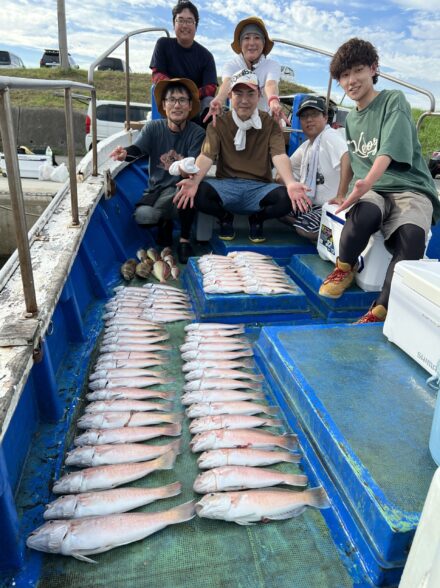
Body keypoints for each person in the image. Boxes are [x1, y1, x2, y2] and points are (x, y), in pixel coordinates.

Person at [319, 38, 440, 323]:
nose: (351, 81)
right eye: (344, 76)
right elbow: (351, 157)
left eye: (357, 70)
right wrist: (342, 191)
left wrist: (367, 182)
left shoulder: (393, 100)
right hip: (371, 188)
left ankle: (380, 309)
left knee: (412, 239)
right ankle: (344, 267)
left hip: (409, 187)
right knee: (367, 212)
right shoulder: (350, 120)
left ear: (373, 69)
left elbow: (388, 149)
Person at [173, 69, 310, 243]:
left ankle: (257, 219)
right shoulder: (218, 123)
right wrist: (194, 181)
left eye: (250, 94)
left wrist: (290, 183)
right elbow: (207, 155)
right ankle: (224, 217)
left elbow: (279, 155)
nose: (244, 100)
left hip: (259, 188)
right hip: (226, 185)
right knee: (197, 192)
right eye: (238, 94)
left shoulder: (270, 123)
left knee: (286, 198)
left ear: (259, 95)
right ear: (230, 95)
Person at [110, 78, 205, 263]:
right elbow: (137, 150)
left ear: (190, 105)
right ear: (164, 104)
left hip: (180, 186)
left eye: (182, 100)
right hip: (157, 190)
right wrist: (124, 154)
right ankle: (165, 223)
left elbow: (194, 166)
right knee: (143, 216)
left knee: (190, 190)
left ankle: (185, 238)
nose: (177, 105)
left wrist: (187, 173)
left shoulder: (197, 133)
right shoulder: (153, 127)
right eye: (171, 100)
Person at [280, 95, 350, 241]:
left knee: (304, 229)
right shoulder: (307, 146)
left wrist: (341, 195)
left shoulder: (329, 136)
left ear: (325, 118)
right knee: (277, 206)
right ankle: (318, 230)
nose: (309, 120)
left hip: (330, 206)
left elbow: (347, 157)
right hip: (312, 204)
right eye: (304, 116)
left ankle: (334, 236)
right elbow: (285, 169)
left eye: (314, 114)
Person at [204, 17, 286, 127]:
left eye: (257, 38)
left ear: (263, 43)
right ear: (240, 43)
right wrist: (218, 100)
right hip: (238, 124)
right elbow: (228, 82)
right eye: (246, 38)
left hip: (263, 124)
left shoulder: (272, 65)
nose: (251, 43)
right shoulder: (232, 65)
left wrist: (273, 101)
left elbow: (270, 84)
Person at [149, 0, 217, 118]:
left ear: (196, 25)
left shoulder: (207, 56)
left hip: (195, 105)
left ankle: (207, 136)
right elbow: (156, 74)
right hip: (169, 104)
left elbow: (211, 87)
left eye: (189, 21)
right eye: (180, 20)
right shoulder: (163, 44)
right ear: (173, 23)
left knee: (209, 101)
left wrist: (188, 97)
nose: (185, 25)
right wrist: (177, 95)